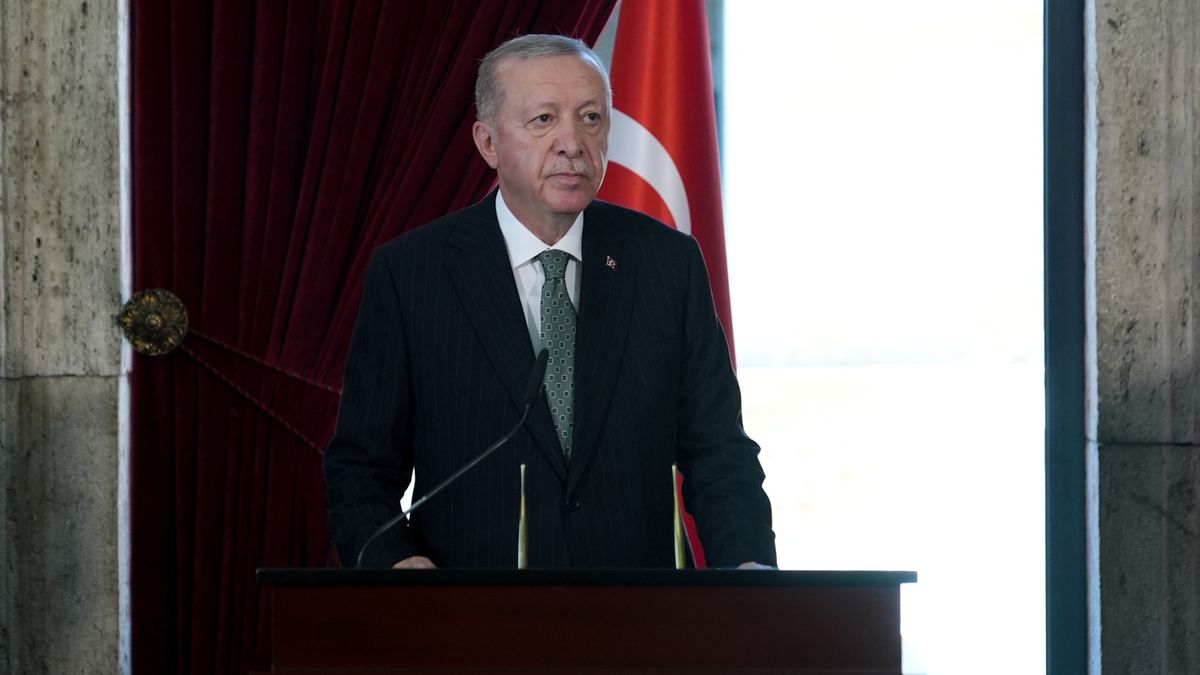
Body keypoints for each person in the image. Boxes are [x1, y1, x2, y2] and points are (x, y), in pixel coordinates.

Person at [324, 34, 775, 570]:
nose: (572, 143)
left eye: (590, 118)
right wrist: (395, 564)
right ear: (488, 143)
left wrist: (750, 572)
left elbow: (719, 451)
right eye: (543, 120)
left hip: (639, 623)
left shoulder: (666, 263)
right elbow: (360, 468)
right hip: (469, 626)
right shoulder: (412, 274)